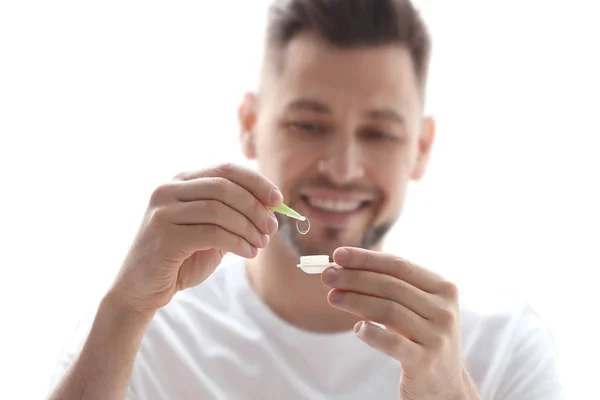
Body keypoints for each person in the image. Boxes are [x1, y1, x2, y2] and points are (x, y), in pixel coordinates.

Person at [47, 0, 564, 399]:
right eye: (307, 125)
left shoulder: (500, 348)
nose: (341, 167)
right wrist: (124, 310)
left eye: (379, 133)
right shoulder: (149, 331)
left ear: (421, 149)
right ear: (251, 126)